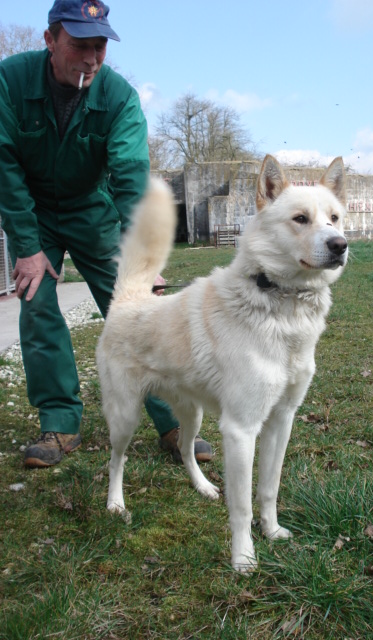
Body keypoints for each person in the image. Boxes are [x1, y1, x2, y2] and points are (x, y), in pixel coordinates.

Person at [0, 0, 213, 468]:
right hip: (32, 212)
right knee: (37, 306)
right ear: (50, 40)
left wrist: (145, 263)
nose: (92, 58)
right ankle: (59, 423)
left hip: (92, 211)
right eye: (79, 45)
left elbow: (130, 176)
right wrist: (27, 245)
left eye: (100, 47)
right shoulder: (10, 81)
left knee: (139, 310)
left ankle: (172, 421)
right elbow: (4, 165)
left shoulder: (117, 96)